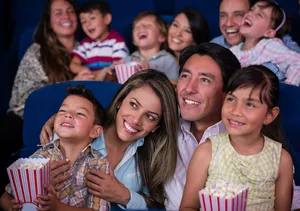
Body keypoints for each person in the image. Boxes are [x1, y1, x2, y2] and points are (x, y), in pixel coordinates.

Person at [40, 70, 178, 209]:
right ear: (120, 101)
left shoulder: (152, 155)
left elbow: (156, 203)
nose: (136, 120)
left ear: (156, 126)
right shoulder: (75, 131)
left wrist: (125, 196)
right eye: (133, 105)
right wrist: (40, 181)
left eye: (150, 117)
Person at [0, 0, 94, 195]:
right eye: (58, 13)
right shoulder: (37, 51)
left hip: (73, 120)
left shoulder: (89, 49)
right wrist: (74, 82)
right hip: (23, 117)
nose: (66, 16)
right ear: (48, 21)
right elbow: (26, 96)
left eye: (70, 11)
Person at [180, 65, 293, 211]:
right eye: (231, 100)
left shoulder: (281, 159)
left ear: (269, 115)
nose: (236, 111)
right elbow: (188, 206)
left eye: (250, 104)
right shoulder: (207, 151)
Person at [0, 85, 110, 211]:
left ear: (95, 131)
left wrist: (58, 207)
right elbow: (5, 196)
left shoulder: (99, 164)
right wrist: (10, 206)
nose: (68, 115)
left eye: (80, 113)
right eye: (62, 111)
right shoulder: (39, 157)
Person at [164, 43, 241, 210]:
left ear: (227, 92)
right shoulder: (162, 127)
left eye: (204, 80)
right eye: (185, 76)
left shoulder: (244, 135)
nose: (189, 89)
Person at [211, 0, 300, 82]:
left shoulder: (269, 45)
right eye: (251, 10)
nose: (250, 14)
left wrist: (289, 87)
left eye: (259, 15)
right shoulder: (233, 50)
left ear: (269, 32)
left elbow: (297, 61)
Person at [70, 1, 129, 81]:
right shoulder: (85, 44)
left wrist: (98, 74)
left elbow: (117, 68)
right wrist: (83, 70)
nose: (87, 24)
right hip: (90, 80)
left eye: (92, 18)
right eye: (83, 21)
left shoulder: (117, 41)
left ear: (106, 19)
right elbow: (73, 65)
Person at [122, 11, 179, 82]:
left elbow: (173, 88)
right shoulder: (127, 61)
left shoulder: (168, 60)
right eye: (137, 27)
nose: (141, 27)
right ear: (134, 41)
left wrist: (149, 74)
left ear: (161, 36)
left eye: (148, 25)